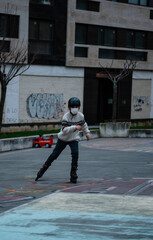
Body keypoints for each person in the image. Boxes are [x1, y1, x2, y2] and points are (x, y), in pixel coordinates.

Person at [35, 97, 90, 183]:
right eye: (73, 107)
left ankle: (73, 173)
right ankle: (43, 169)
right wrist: (74, 127)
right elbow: (64, 130)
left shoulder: (81, 116)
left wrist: (87, 133)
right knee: (54, 155)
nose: (75, 108)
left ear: (79, 107)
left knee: (75, 154)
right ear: (69, 108)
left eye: (76, 106)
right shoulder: (66, 117)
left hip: (74, 138)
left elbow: (84, 125)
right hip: (63, 138)